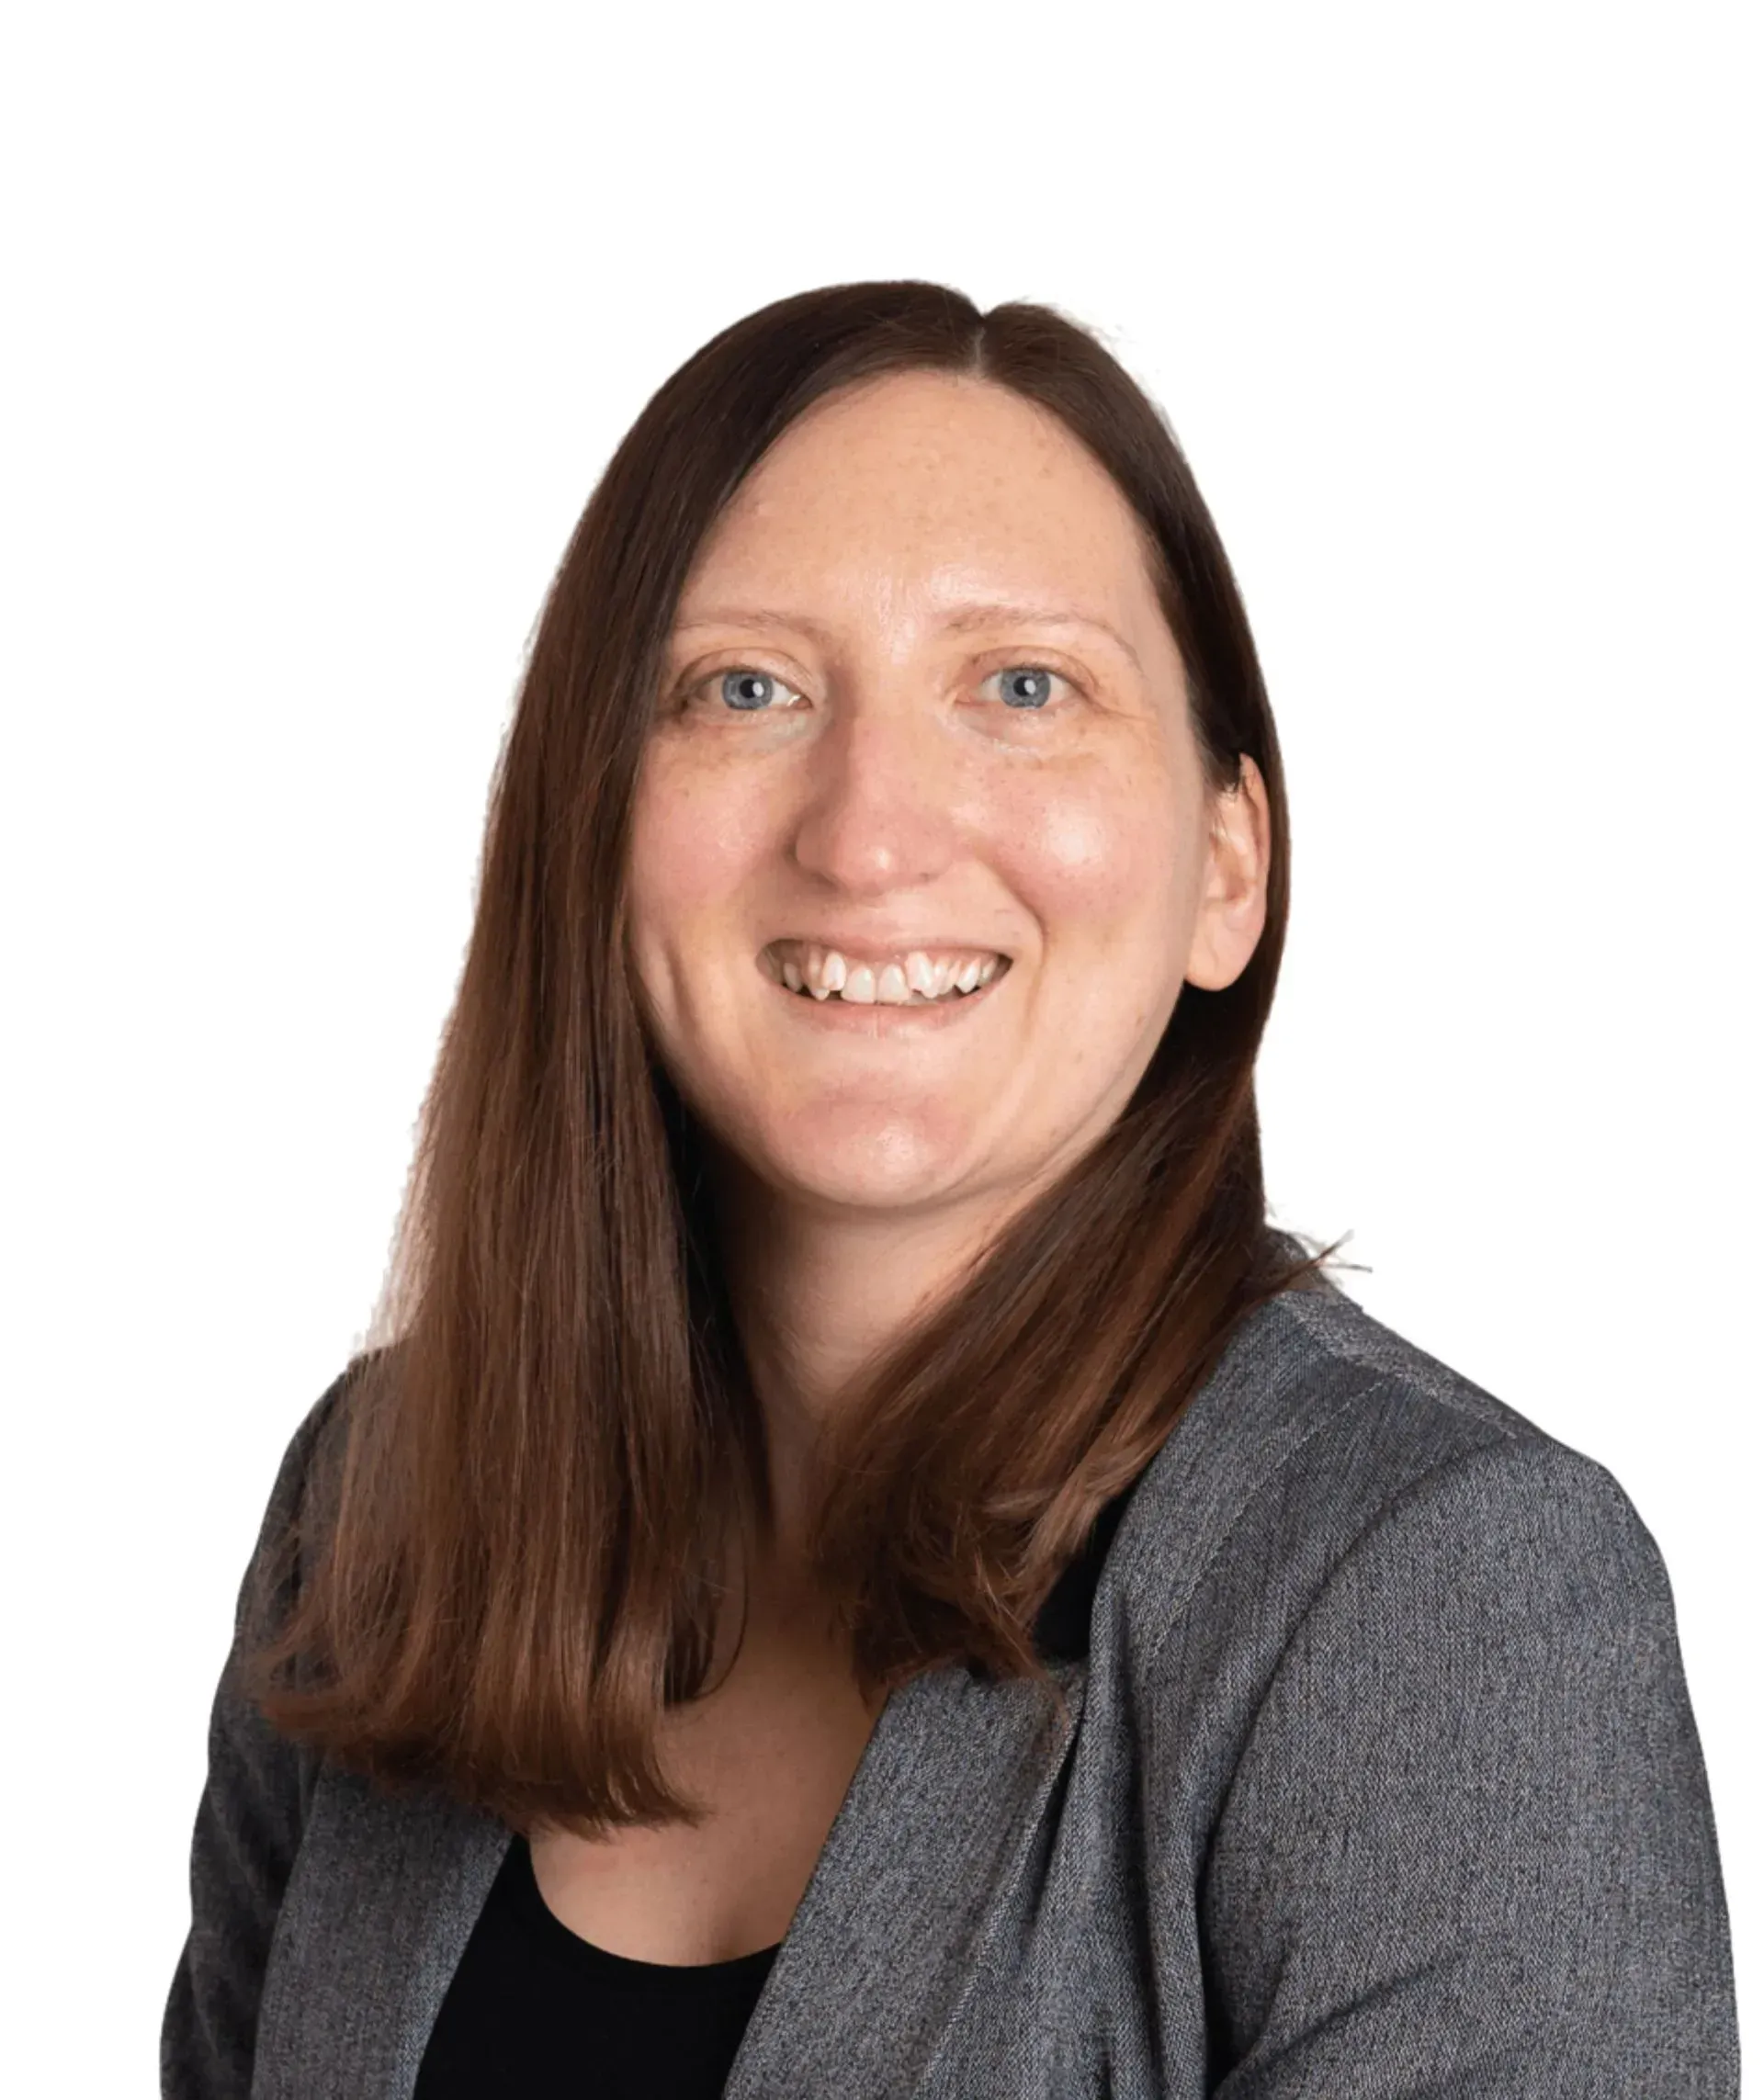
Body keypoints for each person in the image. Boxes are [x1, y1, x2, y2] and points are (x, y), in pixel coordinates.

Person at [161, 280, 1739, 2098]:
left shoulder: (1429, 1592)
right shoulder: (382, 1513)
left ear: (1230, 867)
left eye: (1023, 687)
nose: (870, 832)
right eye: (743, 689)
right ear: (585, 830)